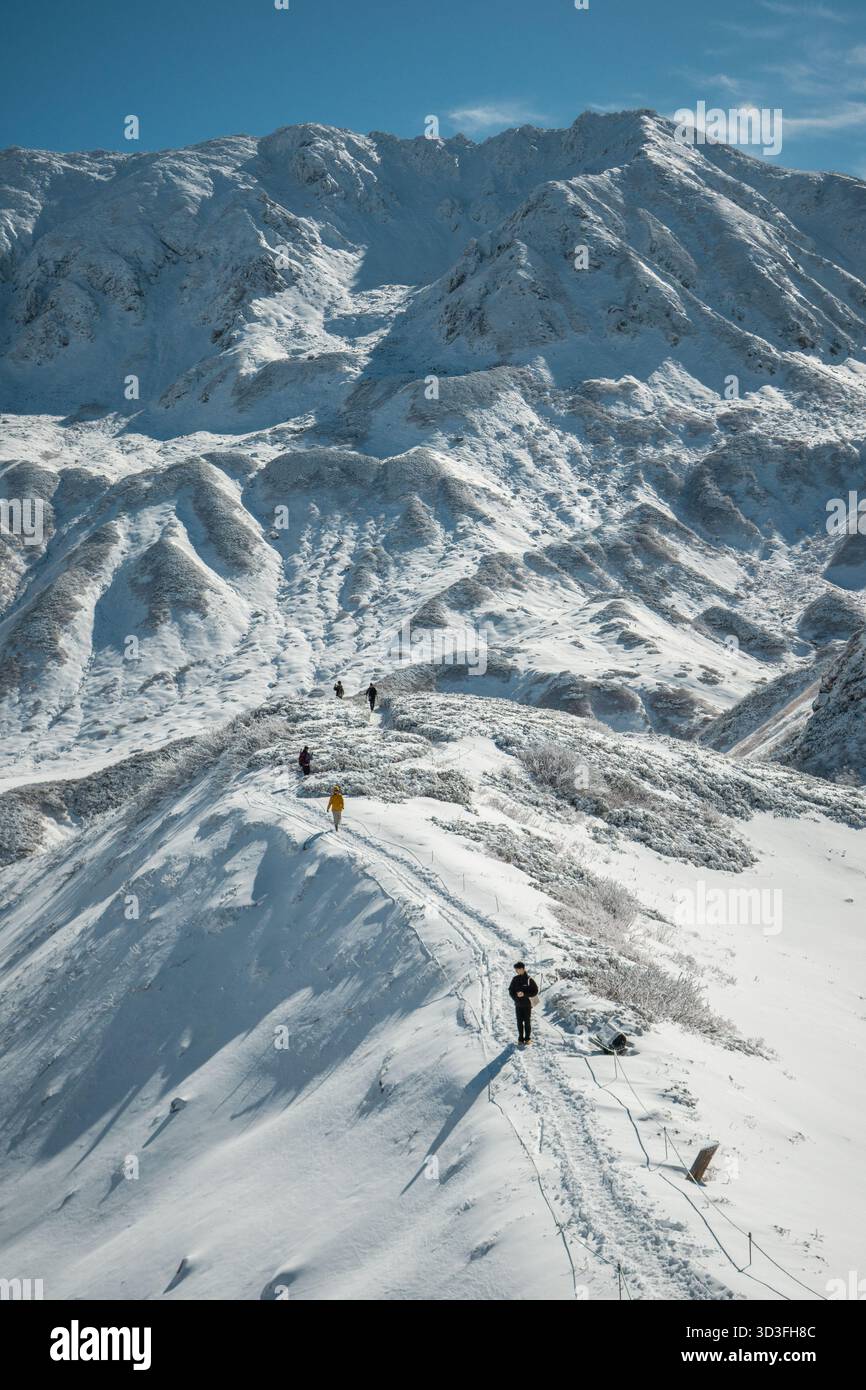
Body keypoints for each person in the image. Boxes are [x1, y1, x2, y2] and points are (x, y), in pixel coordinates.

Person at [509, 962, 538, 1046]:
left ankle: (527, 1039)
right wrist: (516, 998)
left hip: (527, 1005)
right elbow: (510, 991)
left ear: (522, 969)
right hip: (518, 1005)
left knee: (527, 1022)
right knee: (519, 1022)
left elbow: (535, 991)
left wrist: (524, 994)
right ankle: (520, 1039)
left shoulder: (529, 979)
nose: (516, 971)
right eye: (516, 970)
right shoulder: (515, 979)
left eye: (517, 969)